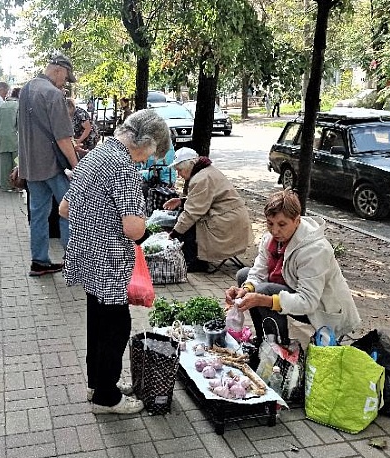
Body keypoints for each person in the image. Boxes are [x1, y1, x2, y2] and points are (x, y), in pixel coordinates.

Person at [59, 109, 171, 415]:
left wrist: (95, 219)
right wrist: (144, 219)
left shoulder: (97, 154)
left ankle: (98, 383)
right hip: (108, 259)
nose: (145, 161)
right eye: (150, 154)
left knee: (97, 322)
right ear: (145, 143)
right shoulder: (123, 168)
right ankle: (106, 398)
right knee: (116, 326)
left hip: (85, 253)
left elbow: (65, 209)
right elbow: (133, 228)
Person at [224, 189, 361, 345]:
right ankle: (263, 340)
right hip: (295, 291)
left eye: (282, 224)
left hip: (320, 308)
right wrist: (246, 289)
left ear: (297, 220)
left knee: (263, 292)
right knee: (244, 276)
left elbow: (308, 302)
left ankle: (278, 347)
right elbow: (258, 271)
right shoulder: (270, 238)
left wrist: (264, 300)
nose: (275, 231)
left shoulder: (315, 250)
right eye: (270, 223)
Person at [18, 53, 79, 277]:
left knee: (38, 214)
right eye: (66, 77)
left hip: (32, 166)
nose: (65, 82)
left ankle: (39, 261)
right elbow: (63, 138)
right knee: (68, 211)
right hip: (54, 166)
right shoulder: (53, 94)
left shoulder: (26, 89)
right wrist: (76, 165)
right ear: (57, 70)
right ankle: (74, 261)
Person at [163, 147, 252, 272]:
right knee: (185, 219)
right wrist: (181, 201)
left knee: (188, 223)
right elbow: (204, 199)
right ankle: (195, 259)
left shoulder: (201, 178)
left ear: (190, 166)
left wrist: (173, 234)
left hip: (228, 223)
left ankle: (195, 262)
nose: (179, 175)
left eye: (180, 170)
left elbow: (192, 213)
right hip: (231, 219)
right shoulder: (204, 172)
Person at [0, 90, 19, 193]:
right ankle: (17, 185)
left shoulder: (1, 106)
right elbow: (20, 124)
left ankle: (5, 185)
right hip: (15, 138)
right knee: (16, 162)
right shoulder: (18, 106)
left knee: (4, 164)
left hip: (2, 138)